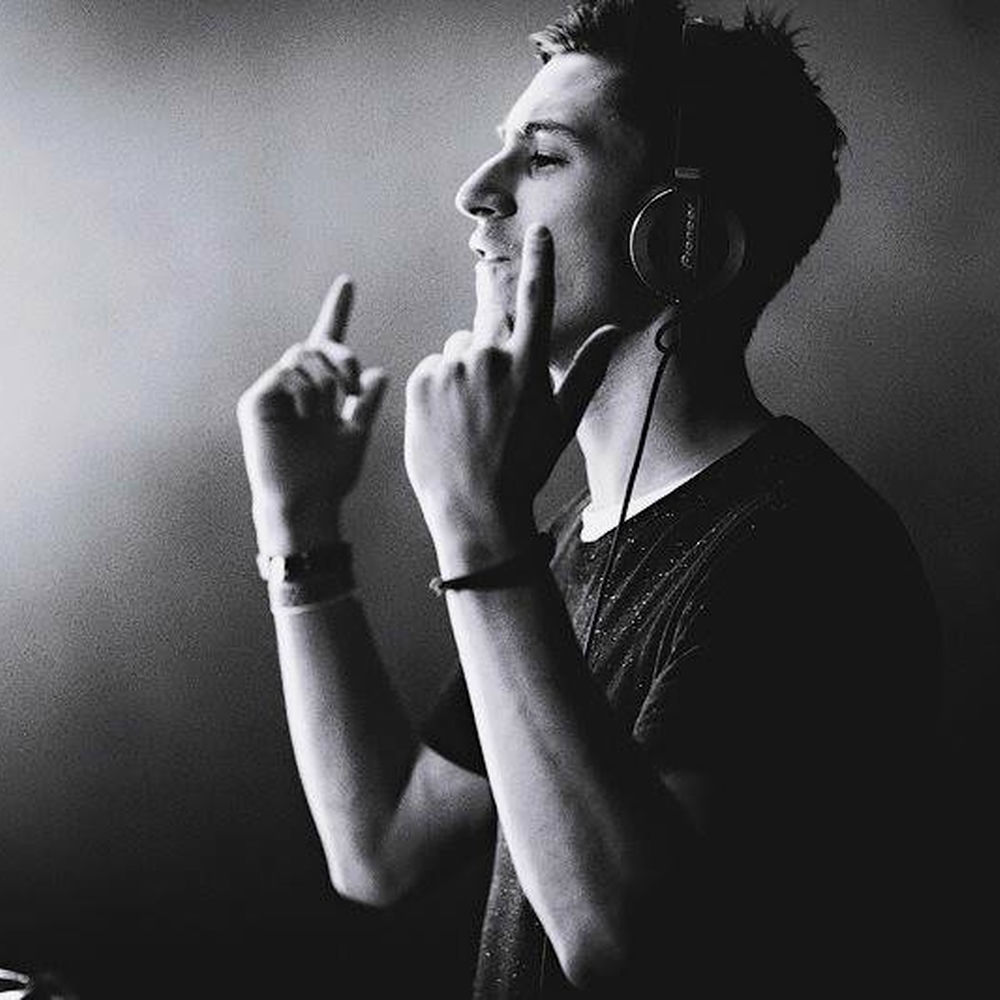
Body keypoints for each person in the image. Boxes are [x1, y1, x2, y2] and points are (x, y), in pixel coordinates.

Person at [237, 1, 940, 994]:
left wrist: (478, 531)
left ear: (681, 237)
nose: (474, 194)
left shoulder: (806, 550)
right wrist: (297, 521)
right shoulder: (565, 549)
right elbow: (382, 845)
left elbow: (630, 949)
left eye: (543, 157)